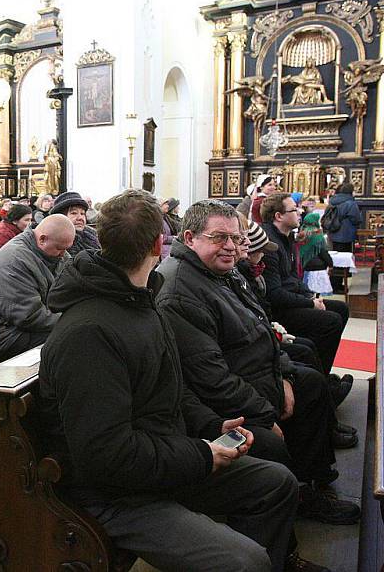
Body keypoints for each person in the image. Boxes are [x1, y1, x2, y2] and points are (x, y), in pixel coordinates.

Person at [36, 190, 304, 572]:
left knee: (277, 483)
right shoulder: (89, 333)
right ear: (160, 243)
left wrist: (211, 426)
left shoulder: (139, 300)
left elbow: (168, 389)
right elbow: (105, 456)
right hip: (118, 495)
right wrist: (202, 455)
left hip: (161, 458)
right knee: (245, 562)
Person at [156, 199, 359, 527]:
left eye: (236, 239)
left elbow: (261, 325)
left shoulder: (222, 271)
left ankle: (312, 481)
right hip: (222, 403)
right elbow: (211, 378)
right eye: (219, 237)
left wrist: (285, 375)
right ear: (190, 238)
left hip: (256, 377)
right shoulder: (180, 291)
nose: (231, 247)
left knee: (308, 381)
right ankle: (299, 492)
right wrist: (264, 415)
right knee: (279, 424)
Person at [260, 193, 350, 385]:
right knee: (330, 321)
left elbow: (293, 278)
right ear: (278, 216)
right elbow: (274, 294)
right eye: (294, 209)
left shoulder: (286, 239)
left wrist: (311, 296)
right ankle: (320, 380)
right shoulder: (269, 244)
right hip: (276, 310)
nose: (300, 212)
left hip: (290, 299)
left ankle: (321, 372)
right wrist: (309, 303)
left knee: (341, 309)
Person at [0, 214, 73, 361]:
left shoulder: (54, 251)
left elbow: (72, 285)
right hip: (0, 334)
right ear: (42, 239)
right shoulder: (13, 260)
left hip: (22, 328)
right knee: (72, 338)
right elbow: (29, 316)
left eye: (66, 249)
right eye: (60, 249)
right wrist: (72, 319)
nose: (63, 254)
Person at [49, 191, 100, 256]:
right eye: (74, 213)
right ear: (61, 216)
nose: (80, 218)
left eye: (82, 213)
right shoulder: (54, 242)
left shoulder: (93, 237)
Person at [300, 212, 333, 296]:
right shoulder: (317, 235)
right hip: (318, 268)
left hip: (305, 267)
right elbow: (323, 252)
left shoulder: (301, 234)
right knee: (317, 294)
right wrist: (330, 263)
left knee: (307, 293)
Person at [326, 182, 362, 252]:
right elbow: (356, 219)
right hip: (347, 235)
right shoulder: (351, 203)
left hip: (332, 233)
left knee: (335, 255)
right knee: (346, 256)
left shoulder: (332, 201)